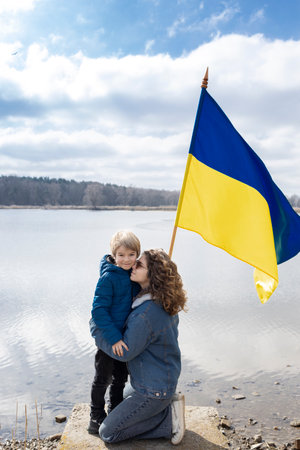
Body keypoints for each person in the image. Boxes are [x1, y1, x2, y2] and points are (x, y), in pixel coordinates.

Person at [90, 248, 187, 445]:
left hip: (154, 390)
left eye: (139, 264)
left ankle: (167, 422)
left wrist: (96, 329)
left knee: (108, 432)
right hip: (156, 382)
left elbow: (125, 352)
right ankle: (167, 406)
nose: (132, 265)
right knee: (119, 405)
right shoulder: (163, 300)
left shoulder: (146, 313)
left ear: (153, 274)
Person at [88, 230, 141, 434]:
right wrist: (114, 338)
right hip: (110, 338)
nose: (126, 259)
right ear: (114, 255)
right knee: (103, 377)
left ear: (137, 254)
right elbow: (98, 311)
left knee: (120, 377)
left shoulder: (135, 275)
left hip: (125, 339)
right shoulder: (108, 278)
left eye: (131, 254)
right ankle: (96, 415)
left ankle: (115, 409)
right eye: (121, 255)